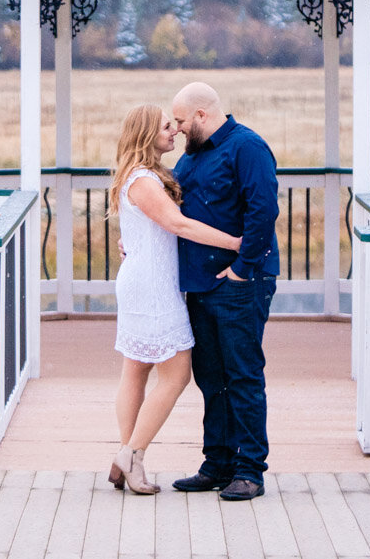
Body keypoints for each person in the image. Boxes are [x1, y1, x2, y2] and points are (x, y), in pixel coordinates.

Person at [109, 104, 242, 495]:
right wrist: (235, 242)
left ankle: (125, 455)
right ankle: (132, 454)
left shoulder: (139, 176)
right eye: (167, 127)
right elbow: (178, 224)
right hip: (152, 288)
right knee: (177, 374)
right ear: (148, 134)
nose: (175, 132)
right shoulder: (145, 180)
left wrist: (128, 242)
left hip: (140, 279)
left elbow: (148, 230)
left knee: (135, 369)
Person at [169, 82, 279, 502]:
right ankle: (217, 463)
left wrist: (242, 269)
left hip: (239, 283)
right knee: (211, 377)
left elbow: (263, 210)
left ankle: (250, 470)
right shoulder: (192, 156)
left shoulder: (246, 148)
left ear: (200, 115)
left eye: (180, 120)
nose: (176, 129)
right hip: (200, 285)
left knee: (243, 374)